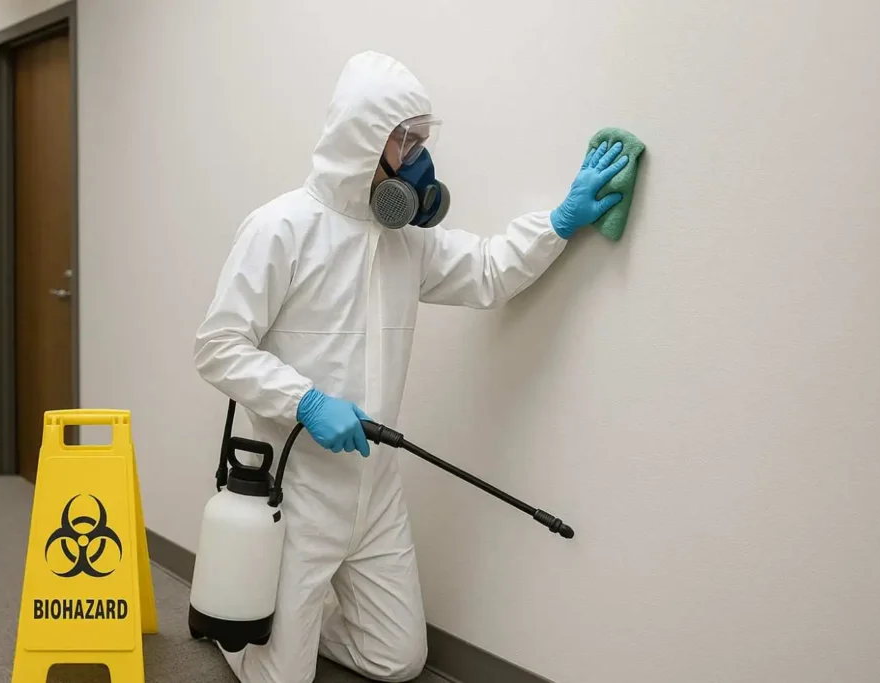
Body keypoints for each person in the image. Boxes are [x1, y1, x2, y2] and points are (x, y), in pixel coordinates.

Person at [194, 50, 627, 683]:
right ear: (363, 140)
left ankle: (300, 623)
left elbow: (487, 271)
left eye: (424, 140)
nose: (420, 158)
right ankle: (244, 628)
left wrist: (560, 222)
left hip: (376, 491)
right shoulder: (280, 227)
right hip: (300, 490)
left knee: (398, 660)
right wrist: (305, 402)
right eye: (407, 141)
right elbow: (219, 346)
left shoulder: (404, 243)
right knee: (281, 678)